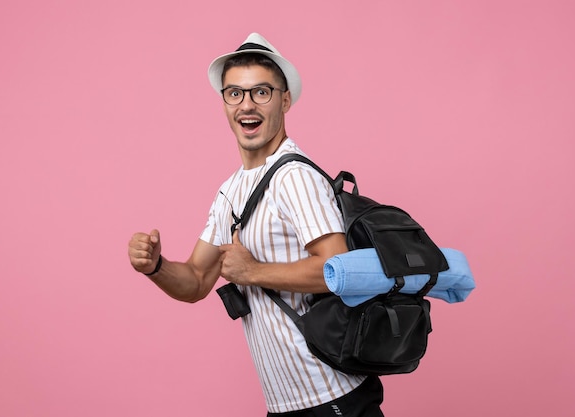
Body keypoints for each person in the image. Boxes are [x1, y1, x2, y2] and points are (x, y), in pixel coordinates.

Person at [128, 33, 384, 416]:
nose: (247, 105)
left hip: (331, 395)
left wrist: (253, 271)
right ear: (224, 103)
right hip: (284, 402)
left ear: (284, 100)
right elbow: (197, 280)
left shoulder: (294, 176)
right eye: (235, 93)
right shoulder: (230, 191)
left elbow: (339, 269)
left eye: (261, 92)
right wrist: (156, 267)